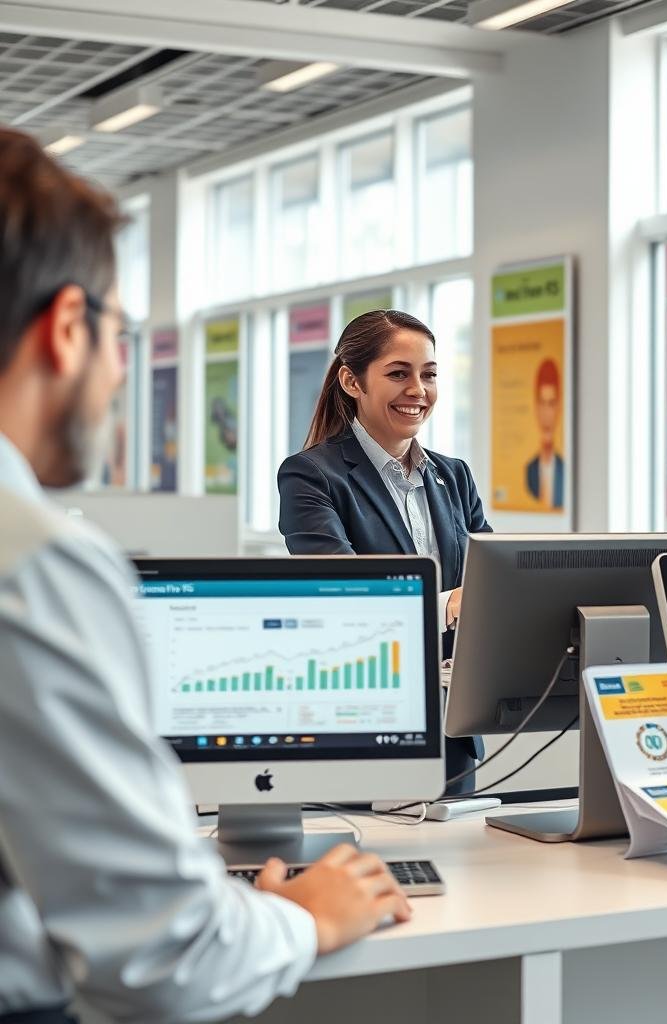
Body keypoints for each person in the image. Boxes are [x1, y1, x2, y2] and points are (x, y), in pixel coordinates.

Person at [0, 128, 411, 1024]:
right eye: (119, 334)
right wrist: (304, 916)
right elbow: (165, 961)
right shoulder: (33, 565)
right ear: (67, 329)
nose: (121, 372)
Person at [277, 310, 491, 792]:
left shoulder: (454, 476)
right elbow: (347, 597)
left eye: (429, 375)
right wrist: (449, 605)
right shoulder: (310, 476)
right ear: (352, 381)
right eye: (398, 374)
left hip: (449, 733)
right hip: (360, 731)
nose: (418, 390)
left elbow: (496, 581)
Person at [524, 358, 564, 510]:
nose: (546, 413)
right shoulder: (529, 470)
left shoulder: (565, 469)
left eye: (551, 403)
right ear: (536, 407)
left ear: (559, 408)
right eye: (542, 403)